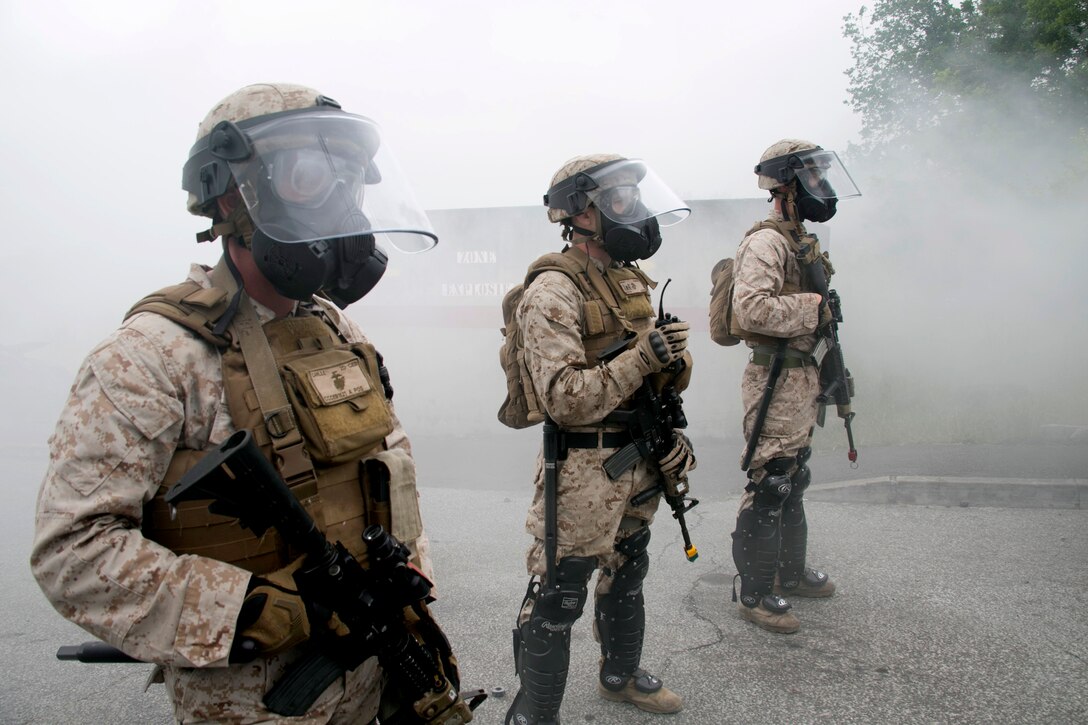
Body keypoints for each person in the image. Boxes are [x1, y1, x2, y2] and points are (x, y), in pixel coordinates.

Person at [30, 83, 465, 724]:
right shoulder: (152, 355)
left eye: (347, 179)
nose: (338, 204)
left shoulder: (341, 334)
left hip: (372, 669)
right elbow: (74, 550)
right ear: (230, 195)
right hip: (255, 701)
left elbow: (392, 474)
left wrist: (408, 585)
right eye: (307, 175)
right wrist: (252, 608)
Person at [504, 154, 696, 724]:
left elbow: (654, 374)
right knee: (562, 594)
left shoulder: (629, 280)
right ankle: (535, 713)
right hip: (586, 469)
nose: (631, 210)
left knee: (630, 568)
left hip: (639, 456)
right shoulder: (552, 290)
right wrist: (643, 357)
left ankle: (619, 675)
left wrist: (673, 360)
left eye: (633, 197)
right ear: (579, 213)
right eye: (617, 200)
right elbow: (564, 397)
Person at [728, 139, 861, 634]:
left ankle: (790, 573)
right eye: (813, 178)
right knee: (772, 480)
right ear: (786, 186)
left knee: (795, 477)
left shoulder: (799, 237)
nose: (822, 189)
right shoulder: (767, 242)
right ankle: (756, 593)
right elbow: (751, 311)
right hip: (775, 378)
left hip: (801, 373)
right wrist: (815, 309)